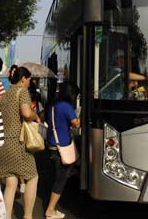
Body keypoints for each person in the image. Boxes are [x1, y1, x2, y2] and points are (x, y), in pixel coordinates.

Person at [0, 66, 40, 219]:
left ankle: (6, 216)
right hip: (18, 143)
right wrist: (36, 116)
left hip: (4, 144)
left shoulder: (5, 94)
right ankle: (28, 216)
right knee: (33, 177)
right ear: (23, 79)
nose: (29, 83)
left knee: (10, 183)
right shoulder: (22, 92)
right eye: (29, 80)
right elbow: (26, 113)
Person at [44, 82, 81, 219]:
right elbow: (76, 124)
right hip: (61, 148)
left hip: (53, 145)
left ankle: (71, 171)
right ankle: (50, 210)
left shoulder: (54, 105)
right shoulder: (66, 106)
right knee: (60, 181)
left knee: (64, 171)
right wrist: (80, 114)